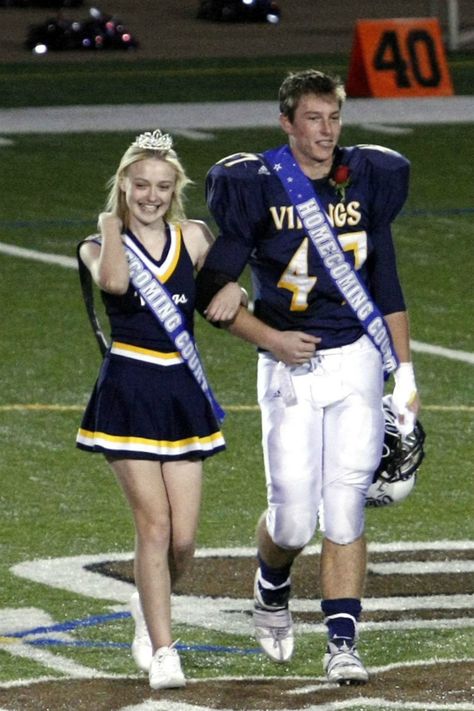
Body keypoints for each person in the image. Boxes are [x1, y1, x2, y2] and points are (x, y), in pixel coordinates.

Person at [196, 69, 420, 684]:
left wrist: (404, 376)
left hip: (356, 359)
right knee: (294, 518)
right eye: (313, 119)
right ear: (287, 123)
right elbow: (211, 292)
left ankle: (342, 640)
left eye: (334, 118)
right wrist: (269, 338)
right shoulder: (256, 185)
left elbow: (387, 287)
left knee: (345, 508)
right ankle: (271, 584)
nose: (326, 132)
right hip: (289, 365)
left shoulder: (369, 177)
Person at [76, 129, 243, 690]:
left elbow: (225, 284)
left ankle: (147, 604)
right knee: (154, 525)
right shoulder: (99, 245)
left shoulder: (194, 237)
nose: (151, 195)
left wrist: (236, 294)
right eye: (141, 184)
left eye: (163, 186)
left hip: (180, 393)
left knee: (184, 541)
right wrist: (109, 221)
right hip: (128, 391)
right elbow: (117, 283)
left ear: (176, 190)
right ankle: (165, 649)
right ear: (124, 183)